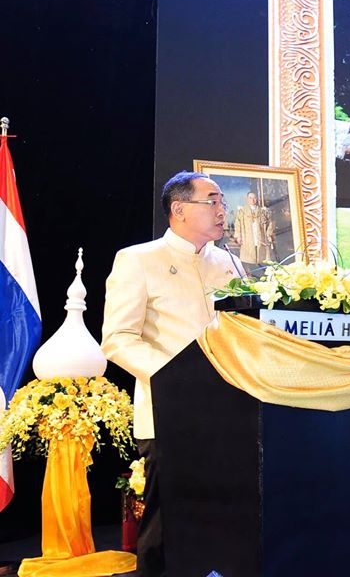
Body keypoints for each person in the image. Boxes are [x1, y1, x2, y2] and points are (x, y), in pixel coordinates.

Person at [102, 171, 242, 576]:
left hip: (229, 411)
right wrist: (176, 377)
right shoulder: (138, 260)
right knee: (169, 522)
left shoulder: (229, 263)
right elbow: (117, 339)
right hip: (169, 412)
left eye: (222, 202)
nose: (222, 210)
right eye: (212, 201)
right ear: (179, 209)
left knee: (226, 518)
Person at [233, 190, 275, 272]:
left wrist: (269, 234)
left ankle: (262, 271)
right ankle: (251, 272)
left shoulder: (263, 211)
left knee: (262, 257)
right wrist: (238, 236)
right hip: (247, 237)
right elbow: (238, 224)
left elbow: (271, 222)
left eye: (254, 198)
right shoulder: (242, 211)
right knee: (249, 258)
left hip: (260, 236)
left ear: (257, 199)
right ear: (247, 199)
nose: (252, 200)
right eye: (250, 198)